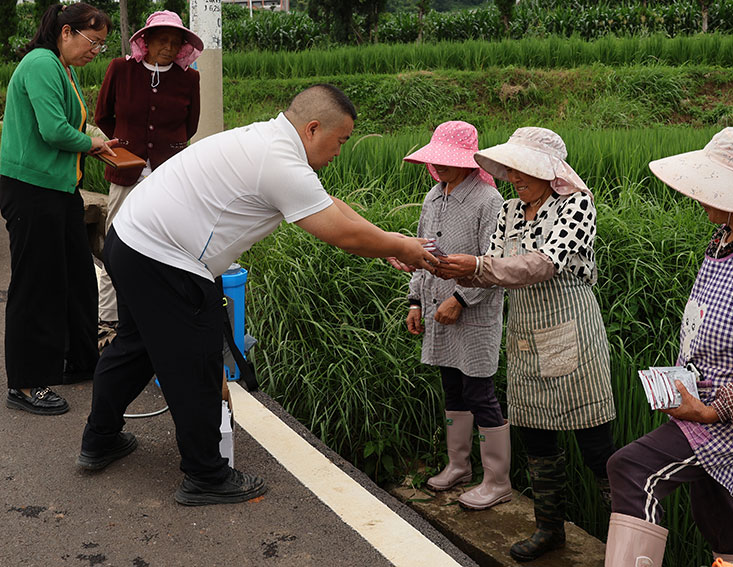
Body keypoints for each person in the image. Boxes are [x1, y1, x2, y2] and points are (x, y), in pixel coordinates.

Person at [76, 84, 439, 506]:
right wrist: (400, 247)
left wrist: (389, 239)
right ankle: (206, 476)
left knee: (135, 346)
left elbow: (328, 204)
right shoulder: (279, 161)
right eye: (340, 141)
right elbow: (341, 233)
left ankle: (99, 440)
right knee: (193, 365)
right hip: (165, 258)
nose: (340, 150)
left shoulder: (268, 140)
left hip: (131, 238)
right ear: (313, 128)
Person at [604, 127, 733, 567]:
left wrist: (711, 411)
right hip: (703, 396)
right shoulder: (725, 238)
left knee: (632, 469)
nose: (701, 195)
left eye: (712, 185)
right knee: (715, 503)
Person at [436, 127, 617, 561]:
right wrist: (443, 267)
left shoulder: (575, 204)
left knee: (595, 443)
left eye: (525, 168)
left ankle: (626, 540)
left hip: (571, 327)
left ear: (550, 171)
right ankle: (549, 529)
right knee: (537, 437)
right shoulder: (511, 210)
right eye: (512, 168)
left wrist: (478, 265)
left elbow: (543, 264)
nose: (515, 176)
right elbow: (495, 267)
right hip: (524, 333)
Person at [0, 3, 116, 415]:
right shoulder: (40, 63)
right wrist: (92, 144)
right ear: (66, 32)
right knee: (37, 285)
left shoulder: (63, 69)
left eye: (101, 46)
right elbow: (53, 130)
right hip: (31, 188)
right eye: (93, 42)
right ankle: (27, 383)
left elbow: (72, 122)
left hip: (60, 186)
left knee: (77, 276)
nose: (95, 52)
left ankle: (79, 360)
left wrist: (95, 138)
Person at [403, 121, 508, 509]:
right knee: (452, 389)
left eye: (449, 160)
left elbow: (496, 265)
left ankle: (497, 480)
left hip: (474, 316)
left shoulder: (488, 201)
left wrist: (460, 300)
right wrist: (415, 301)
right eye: (437, 160)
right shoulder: (434, 196)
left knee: (480, 393)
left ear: (470, 162)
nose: (440, 167)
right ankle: (458, 466)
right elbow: (419, 252)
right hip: (435, 310)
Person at [93, 10, 202, 348]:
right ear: (146, 42)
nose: (168, 47)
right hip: (126, 172)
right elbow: (103, 116)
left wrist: (164, 150)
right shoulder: (121, 70)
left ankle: (153, 316)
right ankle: (107, 321)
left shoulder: (188, 80)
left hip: (169, 176)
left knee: (164, 245)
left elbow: (190, 126)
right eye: (161, 40)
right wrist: (127, 147)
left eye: (175, 42)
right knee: (115, 244)